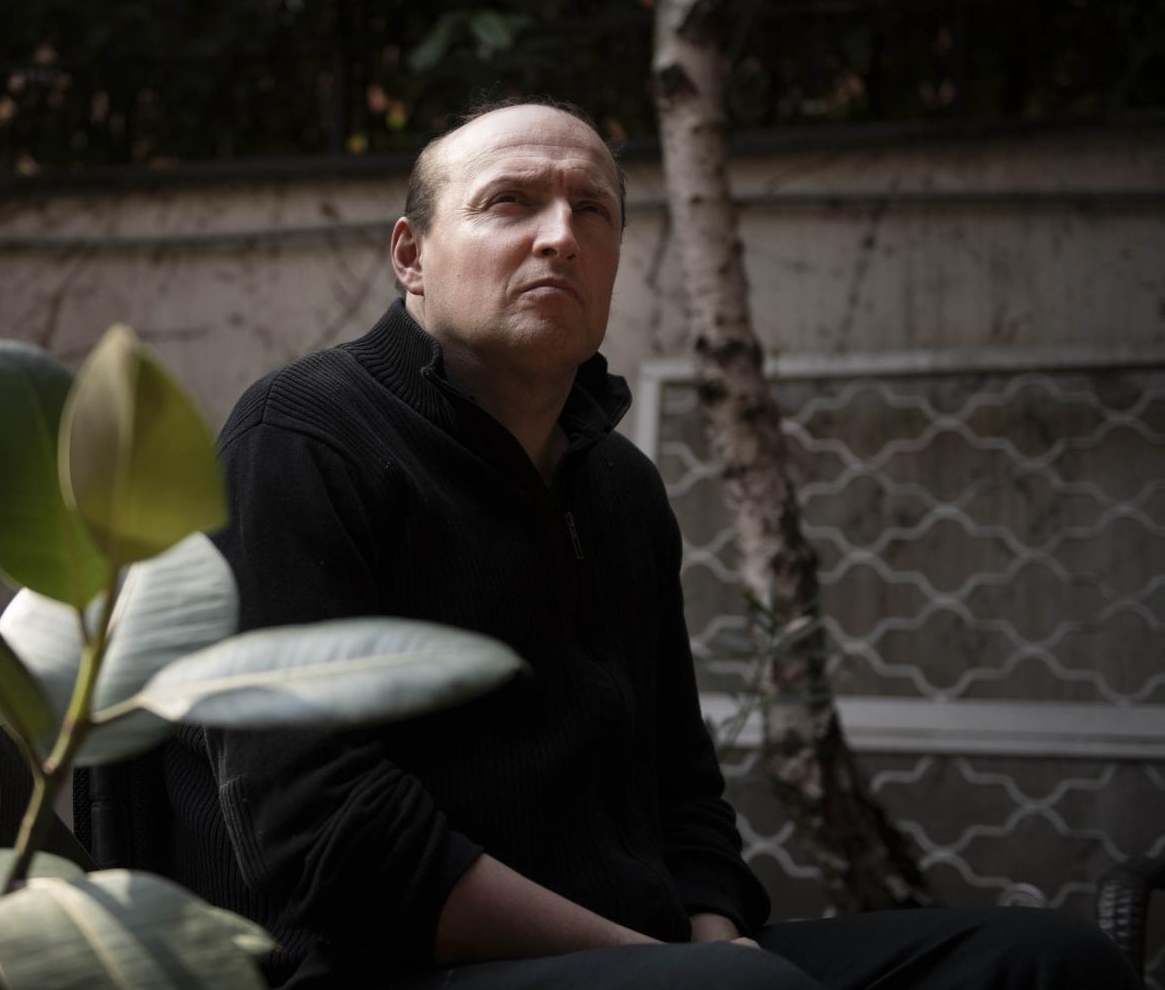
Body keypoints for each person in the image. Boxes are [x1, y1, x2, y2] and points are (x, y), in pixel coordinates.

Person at [156, 99, 1140, 989]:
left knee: (1046, 960)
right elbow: (324, 831)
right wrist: (674, 966)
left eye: (593, 210)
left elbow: (682, 786)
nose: (561, 235)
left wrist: (711, 937)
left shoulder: (620, 486)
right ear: (412, 255)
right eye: (510, 202)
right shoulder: (305, 434)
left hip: (653, 956)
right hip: (391, 965)